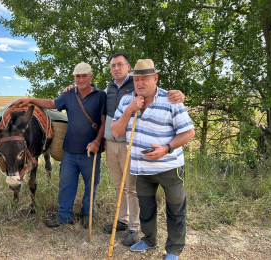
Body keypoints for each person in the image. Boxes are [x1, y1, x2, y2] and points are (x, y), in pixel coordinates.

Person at [111, 59, 195, 260]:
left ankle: (174, 250)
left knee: (175, 209)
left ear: (155, 79)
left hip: (169, 167)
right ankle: (149, 240)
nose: (140, 83)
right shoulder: (126, 101)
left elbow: (188, 132)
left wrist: (166, 148)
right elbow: (115, 131)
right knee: (146, 210)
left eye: (145, 79)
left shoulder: (171, 99)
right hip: (141, 168)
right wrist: (130, 109)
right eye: (137, 79)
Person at [15, 62, 106, 229]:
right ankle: (64, 216)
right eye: (78, 76)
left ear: (91, 77)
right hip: (70, 150)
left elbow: (103, 122)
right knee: (65, 184)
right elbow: (51, 104)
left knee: (91, 184)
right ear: (75, 78)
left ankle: (87, 214)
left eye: (84, 75)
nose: (81, 79)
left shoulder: (100, 95)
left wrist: (97, 142)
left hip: (90, 151)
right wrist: (30, 100)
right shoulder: (69, 94)